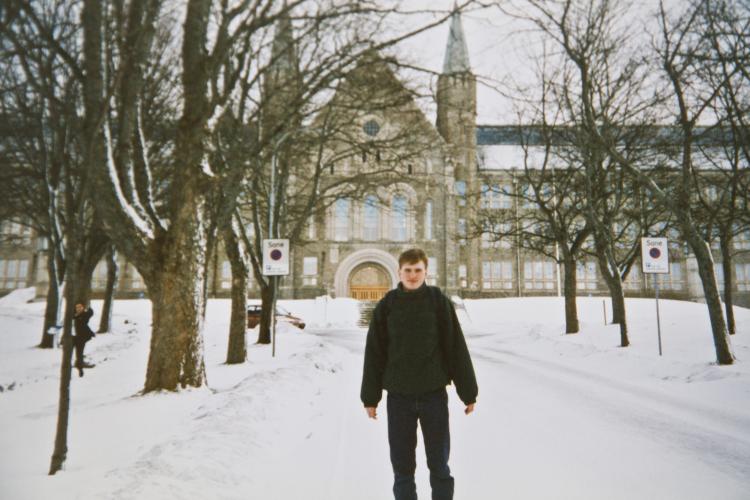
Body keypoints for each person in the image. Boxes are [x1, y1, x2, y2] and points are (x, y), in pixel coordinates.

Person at [361, 248, 478, 500]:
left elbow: (455, 347)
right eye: (408, 271)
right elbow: (374, 354)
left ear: (426, 272)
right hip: (399, 398)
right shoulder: (387, 306)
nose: (413, 276)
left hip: (433, 396)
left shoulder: (437, 302)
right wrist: (370, 398)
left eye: (418, 271)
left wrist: (468, 392)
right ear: (399, 272)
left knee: (439, 464)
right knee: (402, 468)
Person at [73, 303, 96, 377]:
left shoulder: (84, 315)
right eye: (77, 307)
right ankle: (79, 363)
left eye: (80, 307)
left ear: (83, 308)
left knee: (80, 349)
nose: (78, 308)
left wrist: (89, 307)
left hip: (83, 336)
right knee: (79, 350)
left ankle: (79, 363)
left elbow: (91, 313)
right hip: (77, 336)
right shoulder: (74, 315)